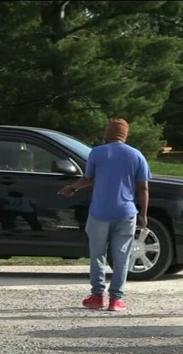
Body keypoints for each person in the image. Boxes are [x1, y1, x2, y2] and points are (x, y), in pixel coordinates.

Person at [59, 118, 150, 312]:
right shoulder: (136, 155)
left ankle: (97, 296)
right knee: (122, 256)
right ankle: (116, 299)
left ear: (107, 133)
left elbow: (87, 179)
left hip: (99, 211)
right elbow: (143, 188)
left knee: (97, 255)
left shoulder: (97, 153)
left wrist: (72, 188)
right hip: (126, 213)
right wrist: (144, 213)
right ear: (125, 134)